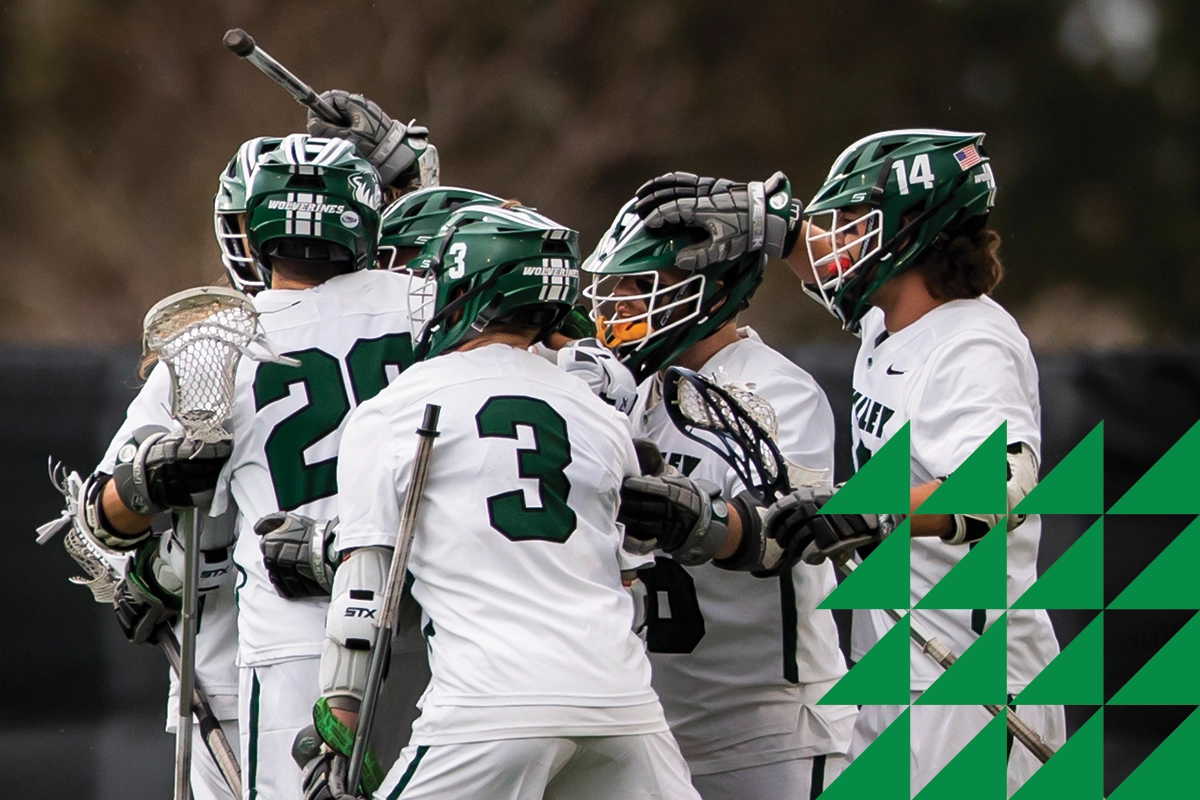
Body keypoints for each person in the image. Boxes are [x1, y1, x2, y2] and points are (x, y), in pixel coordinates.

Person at [633, 130, 1065, 796]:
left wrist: (866, 507)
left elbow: (1002, 487)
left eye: (855, 222)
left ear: (912, 231)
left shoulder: (973, 344)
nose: (833, 238)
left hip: (972, 683)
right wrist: (763, 221)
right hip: (902, 671)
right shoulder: (887, 322)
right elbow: (812, 258)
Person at [302, 202, 701, 800]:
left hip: (488, 707)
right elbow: (630, 589)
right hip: (620, 704)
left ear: (468, 286)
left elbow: (365, 590)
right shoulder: (600, 414)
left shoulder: (397, 408)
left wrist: (340, 731)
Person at [96, 133, 422, 800]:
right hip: (440, 628)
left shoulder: (220, 341)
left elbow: (99, 522)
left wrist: (152, 497)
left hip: (295, 642)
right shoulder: (432, 307)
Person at [583, 197, 855, 799]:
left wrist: (697, 519)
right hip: (649, 727)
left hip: (765, 732)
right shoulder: (623, 391)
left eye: (639, 286)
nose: (618, 306)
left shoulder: (777, 391)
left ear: (711, 289)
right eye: (614, 287)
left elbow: (790, 535)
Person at [48, 135, 291, 800]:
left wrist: (158, 566)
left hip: (281, 672)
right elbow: (95, 524)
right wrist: (153, 506)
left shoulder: (220, 349)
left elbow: (94, 526)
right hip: (253, 668)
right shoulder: (209, 349)